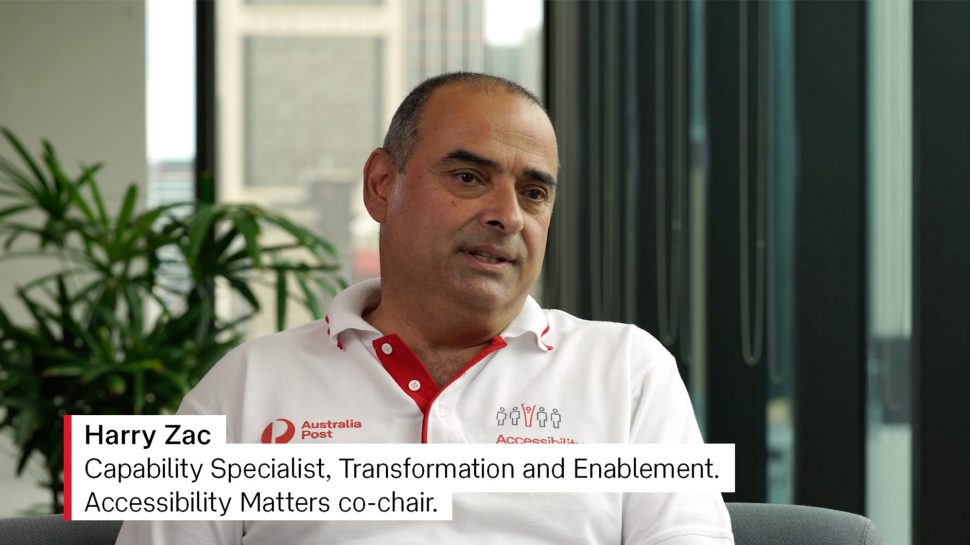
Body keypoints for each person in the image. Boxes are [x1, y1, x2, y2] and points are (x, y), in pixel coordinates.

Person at [115, 72, 733, 544]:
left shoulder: (628, 371)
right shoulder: (244, 384)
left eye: (534, 192)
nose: (507, 215)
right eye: (468, 177)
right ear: (382, 185)